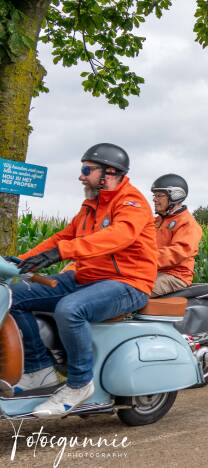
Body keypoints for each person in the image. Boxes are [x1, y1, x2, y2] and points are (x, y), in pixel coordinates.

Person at [9, 143, 156, 416]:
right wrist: (19, 262)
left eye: (86, 170)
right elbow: (63, 237)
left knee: (70, 309)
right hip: (86, 277)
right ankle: (38, 370)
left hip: (128, 283)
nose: (80, 176)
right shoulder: (91, 205)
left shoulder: (131, 202)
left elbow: (118, 236)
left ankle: (79, 383)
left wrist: (60, 253)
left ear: (109, 173)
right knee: (13, 296)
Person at [151, 174, 203, 296]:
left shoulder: (187, 223)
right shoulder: (157, 221)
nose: (154, 199)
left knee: (133, 292)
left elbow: (178, 251)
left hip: (175, 276)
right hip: (154, 272)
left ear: (175, 196)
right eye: (154, 195)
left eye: (159, 195)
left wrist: (147, 258)